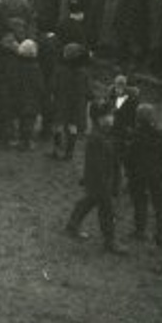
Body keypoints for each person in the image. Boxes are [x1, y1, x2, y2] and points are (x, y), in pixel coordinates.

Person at [64, 99, 125, 254]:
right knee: (107, 210)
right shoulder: (98, 138)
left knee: (89, 200)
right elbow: (98, 164)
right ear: (100, 119)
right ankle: (110, 242)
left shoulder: (102, 134)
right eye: (109, 115)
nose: (112, 118)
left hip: (98, 179)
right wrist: (107, 185)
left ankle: (72, 225)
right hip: (101, 180)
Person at [127, 103, 162, 245]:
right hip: (157, 174)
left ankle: (140, 230)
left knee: (140, 202)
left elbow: (129, 157)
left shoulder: (135, 135)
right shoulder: (161, 134)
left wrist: (130, 171)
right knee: (161, 205)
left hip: (138, 175)